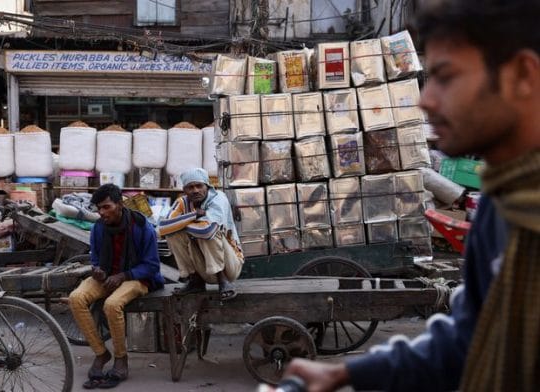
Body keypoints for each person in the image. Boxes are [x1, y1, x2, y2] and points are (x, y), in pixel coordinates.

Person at [281, 0, 540, 391]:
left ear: (522, 75)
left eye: (446, 77)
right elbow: (467, 338)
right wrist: (347, 373)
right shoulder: (501, 207)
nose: (425, 100)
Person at [68, 184, 164, 389]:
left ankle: (121, 359)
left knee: (112, 305)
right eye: (99, 209)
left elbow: (152, 265)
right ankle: (101, 353)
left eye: (106, 207)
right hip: (108, 277)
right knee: (76, 298)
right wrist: (98, 270)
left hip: (138, 279)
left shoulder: (141, 226)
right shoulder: (98, 228)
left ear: (119, 205)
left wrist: (124, 275)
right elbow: (95, 257)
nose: (102, 213)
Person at [159, 168, 244, 301]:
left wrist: (180, 225)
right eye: (190, 187)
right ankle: (194, 280)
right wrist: (193, 215)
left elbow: (207, 230)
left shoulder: (218, 198)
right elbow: (162, 228)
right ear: (184, 190)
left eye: (199, 186)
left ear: (207, 186)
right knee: (173, 235)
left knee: (208, 232)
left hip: (230, 267)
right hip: (204, 269)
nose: (195, 190)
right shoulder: (182, 202)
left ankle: (223, 282)